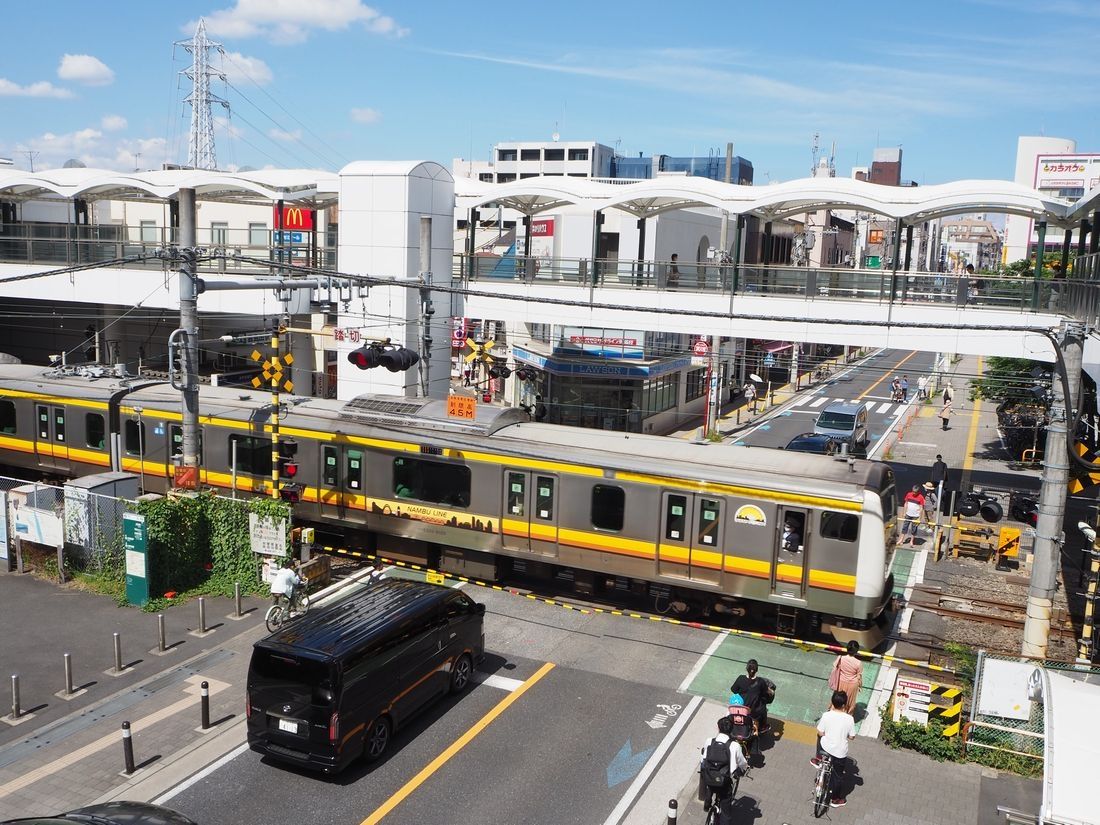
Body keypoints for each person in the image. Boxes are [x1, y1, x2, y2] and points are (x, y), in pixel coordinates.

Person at [810, 690, 856, 809]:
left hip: (825, 747)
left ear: (832, 702)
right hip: (839, 752)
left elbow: (820, 731)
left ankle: (818, 759)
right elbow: (852, 737)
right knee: (838, 776)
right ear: (844, 705)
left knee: (819, 736)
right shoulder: (849, 719)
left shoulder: (826, 715)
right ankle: (835, 799)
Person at [699, 715, 749, 822]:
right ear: (731, 730)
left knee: (711, 784)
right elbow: (742, 763)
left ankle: (707, 802)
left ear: (718, 728)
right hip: (724, 781)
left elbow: (703, 758)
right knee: (726, 811)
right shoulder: (734, 746)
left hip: (709, 777)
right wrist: (744, 769)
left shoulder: (709, 741)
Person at [731, 659, 773, 734]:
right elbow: (765, 693)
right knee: (762, 706)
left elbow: (733, 689)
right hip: (754, 711)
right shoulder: (760, 682)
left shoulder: (740, 678)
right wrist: (771, 691)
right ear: (756, 670)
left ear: (746, 668)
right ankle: (762, 726)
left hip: (742, 708)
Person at [828, 641, 864, 716]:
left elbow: (835, 666)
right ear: (856, 651)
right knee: (850, 700)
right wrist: (860, 686)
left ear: (847, 649)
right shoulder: (858, 663)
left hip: (841, 682)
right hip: (852, 685)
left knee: (838, 698)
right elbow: (859, 676)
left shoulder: (841, 658)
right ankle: (847, 714)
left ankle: (834, 711)